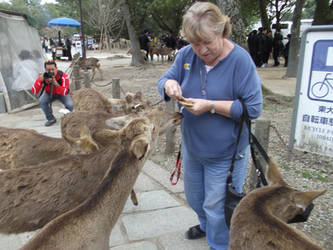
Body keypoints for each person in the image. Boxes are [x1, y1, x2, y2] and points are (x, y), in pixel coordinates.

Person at [157, 2, 262, 250]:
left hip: (227, 153)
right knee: (196, 198)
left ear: (222, 32)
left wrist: (211, 106)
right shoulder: (186, 56)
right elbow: (165, 78)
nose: (202, 50)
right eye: (195, 43)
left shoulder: (241, 61)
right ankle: (206, 225)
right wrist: (168, 85)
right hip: (194, 149)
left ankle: (219, 243)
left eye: (208, 42)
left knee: (217, 206)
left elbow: (253, 108)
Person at [32, 60, 74, 126]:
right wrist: (39, 81)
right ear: (45, 69)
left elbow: (64, 92)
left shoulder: (63, 76)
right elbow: (34, 91)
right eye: (48, 70)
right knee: (42, 101)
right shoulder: (44, 76)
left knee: (70, 105)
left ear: (56, 68)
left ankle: (66, 117)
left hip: (61, 93)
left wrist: (56, 84)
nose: (51, 72)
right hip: (48, 93)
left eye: (52, 69)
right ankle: (51, 118)